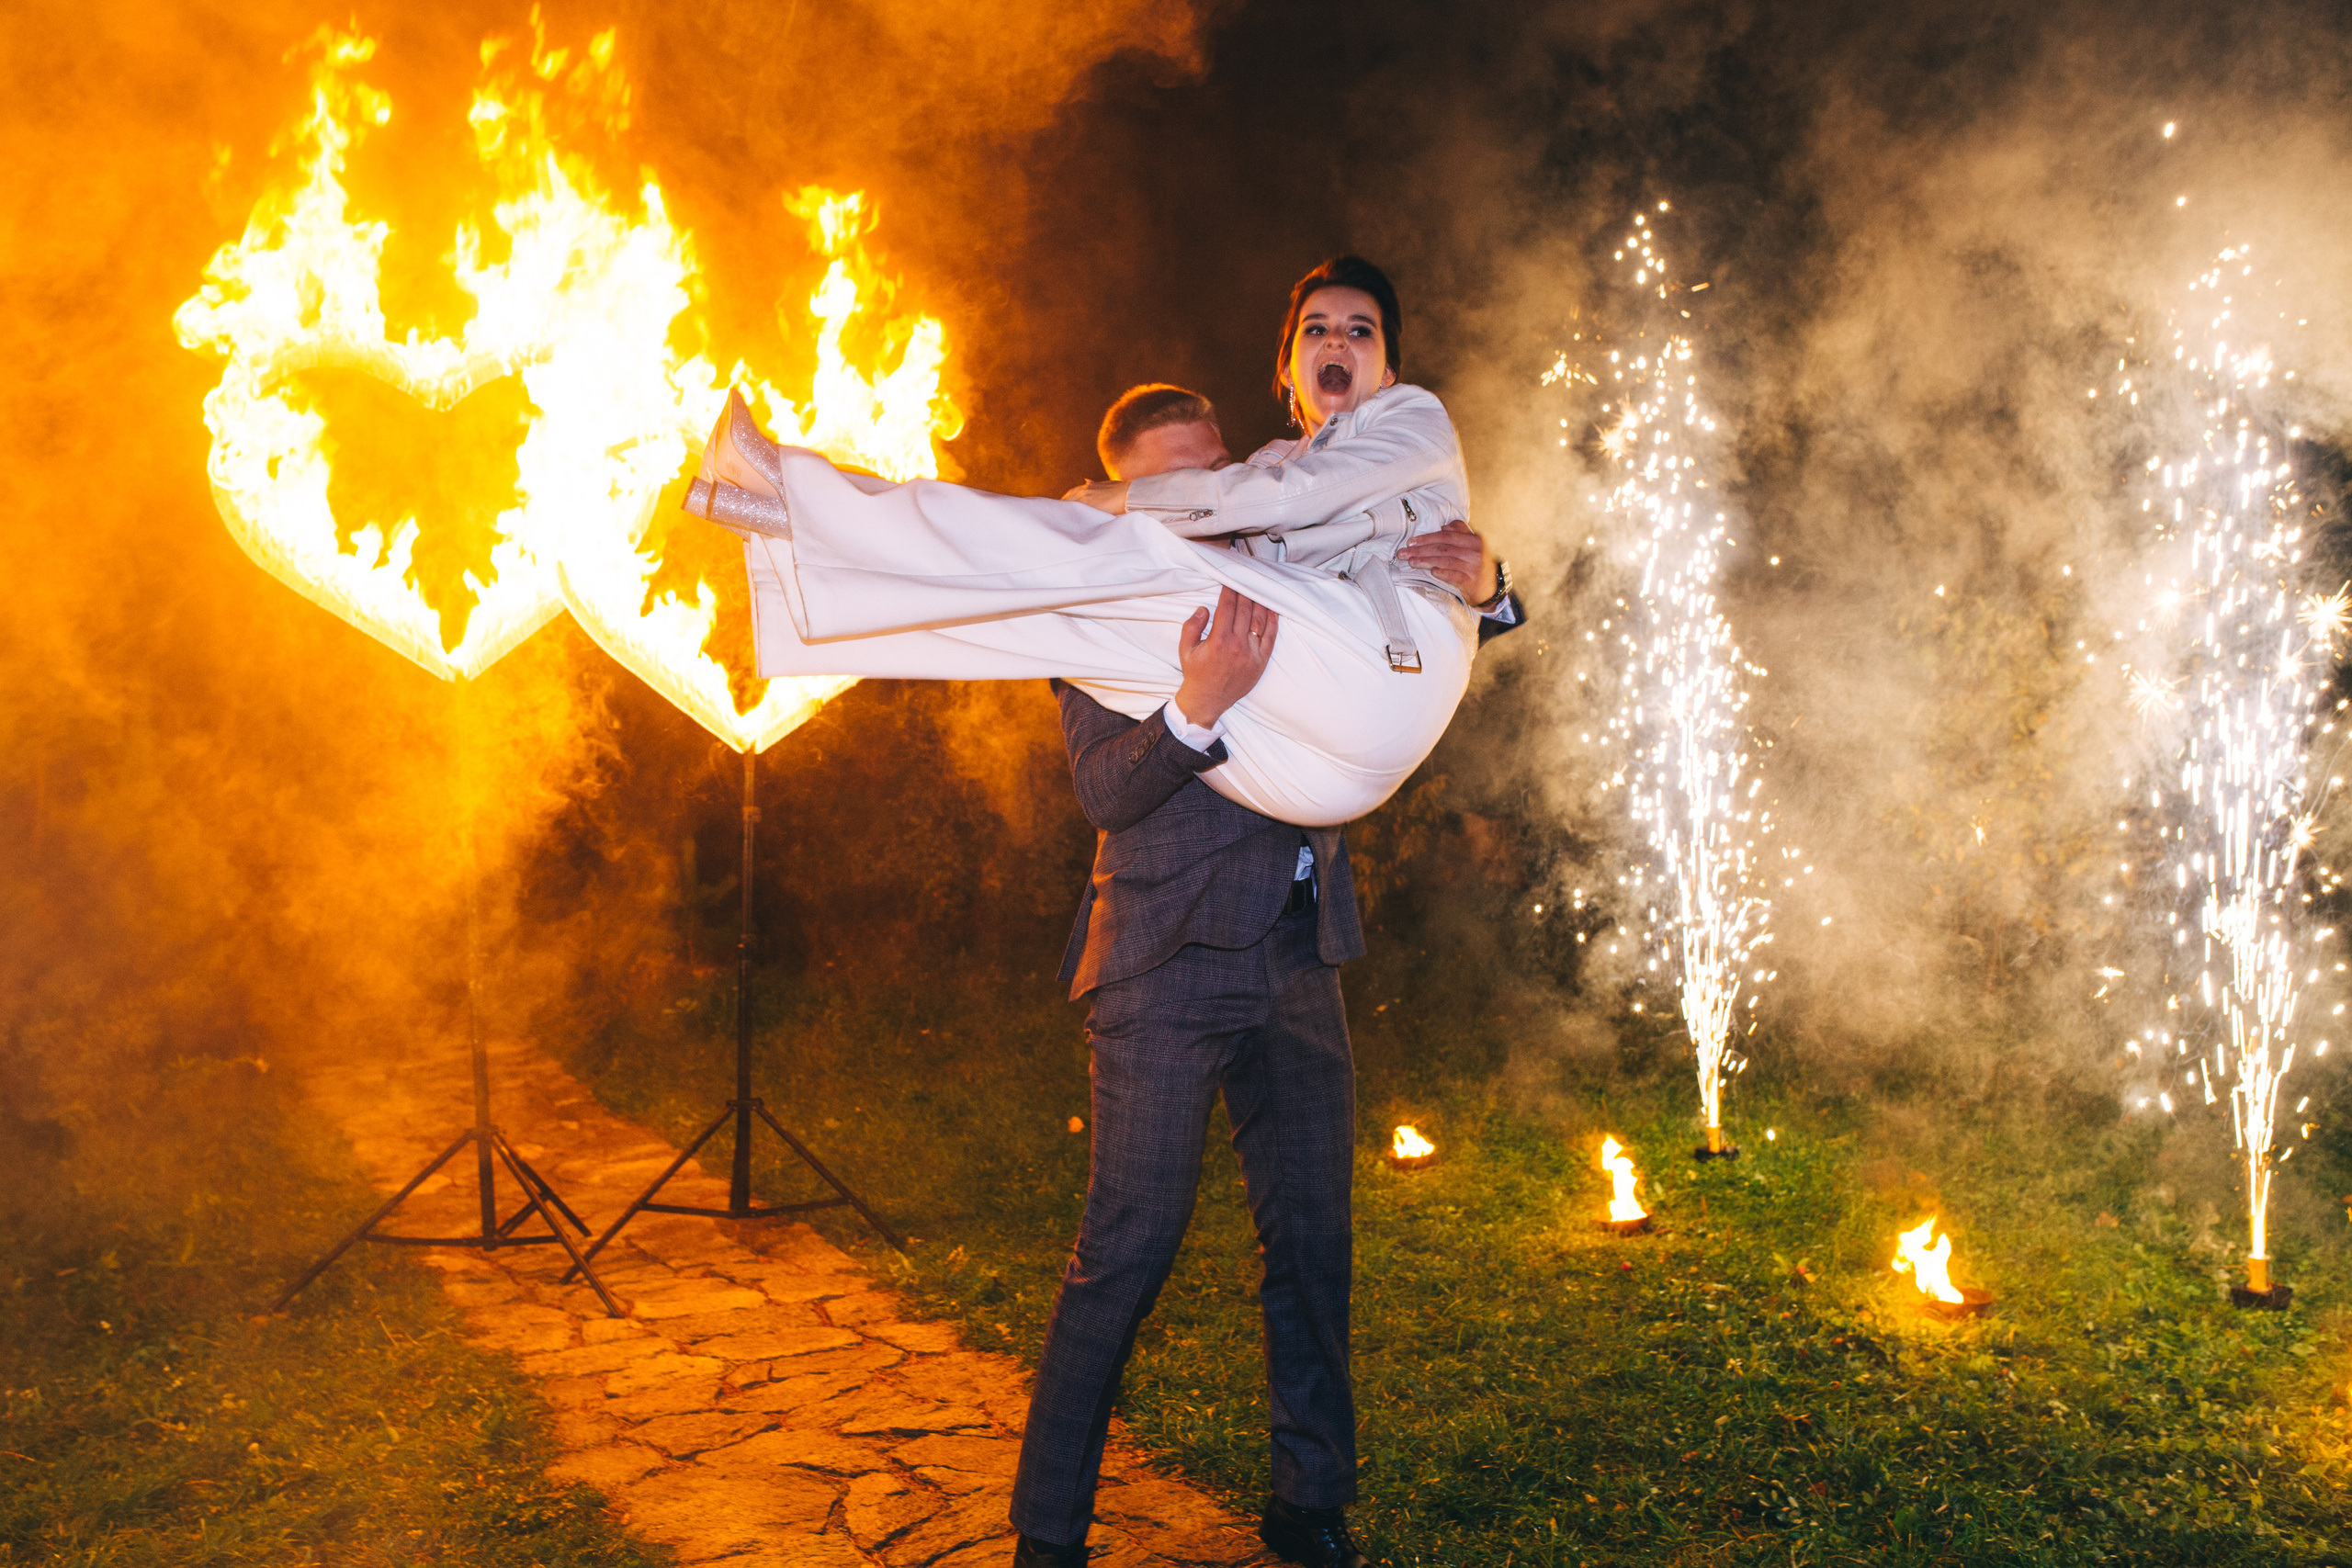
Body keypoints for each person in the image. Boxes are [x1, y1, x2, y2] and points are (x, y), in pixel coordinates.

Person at [1001, 379, 1521, 1568]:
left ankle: (1310, 1502)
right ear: (1142, 504)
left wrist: (1486, 595)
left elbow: (1390, 653)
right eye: (1181, 487)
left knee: (1313, 1240)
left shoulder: (1294, 568)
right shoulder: (1105, 606)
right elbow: (1107, 793)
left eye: (1216, 470)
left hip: (1298, 958)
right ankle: (1047, 1537)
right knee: (1125, 1251)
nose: (1216, 510)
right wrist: (1194, 709)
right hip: (1166, 967)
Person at [686, 257, 1485, 829]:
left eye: (1360, 331)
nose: (1337, 342)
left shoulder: (1410, 419)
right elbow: (1254, 502)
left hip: (1388, 669)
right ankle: (799, 555)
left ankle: (800, 497)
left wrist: (1118, 501)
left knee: (1120, 556)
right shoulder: (1272, 462)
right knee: (1057, 616)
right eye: (1317, 329)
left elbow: (1286, 500)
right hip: (1316, 777)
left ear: (1388, 367)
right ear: (1287, 367)